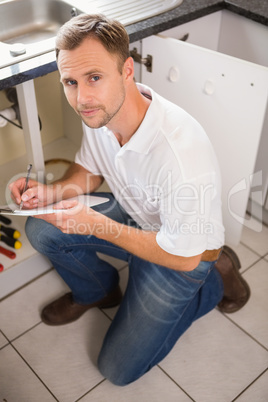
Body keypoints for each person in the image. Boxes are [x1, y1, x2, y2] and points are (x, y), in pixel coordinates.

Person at [9, 14, 250, 386]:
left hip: (184, 254)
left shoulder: (179, 154)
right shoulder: (101, 114)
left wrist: (98, 226)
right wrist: (51, 193)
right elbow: (90, 171)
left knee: (117, 370)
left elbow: (182, 257)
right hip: (134, 211)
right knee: (42, 227)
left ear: (127, 70)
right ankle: (100, 291)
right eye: (70, 82)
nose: (82, 97)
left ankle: (218, 278)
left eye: (94, 78)